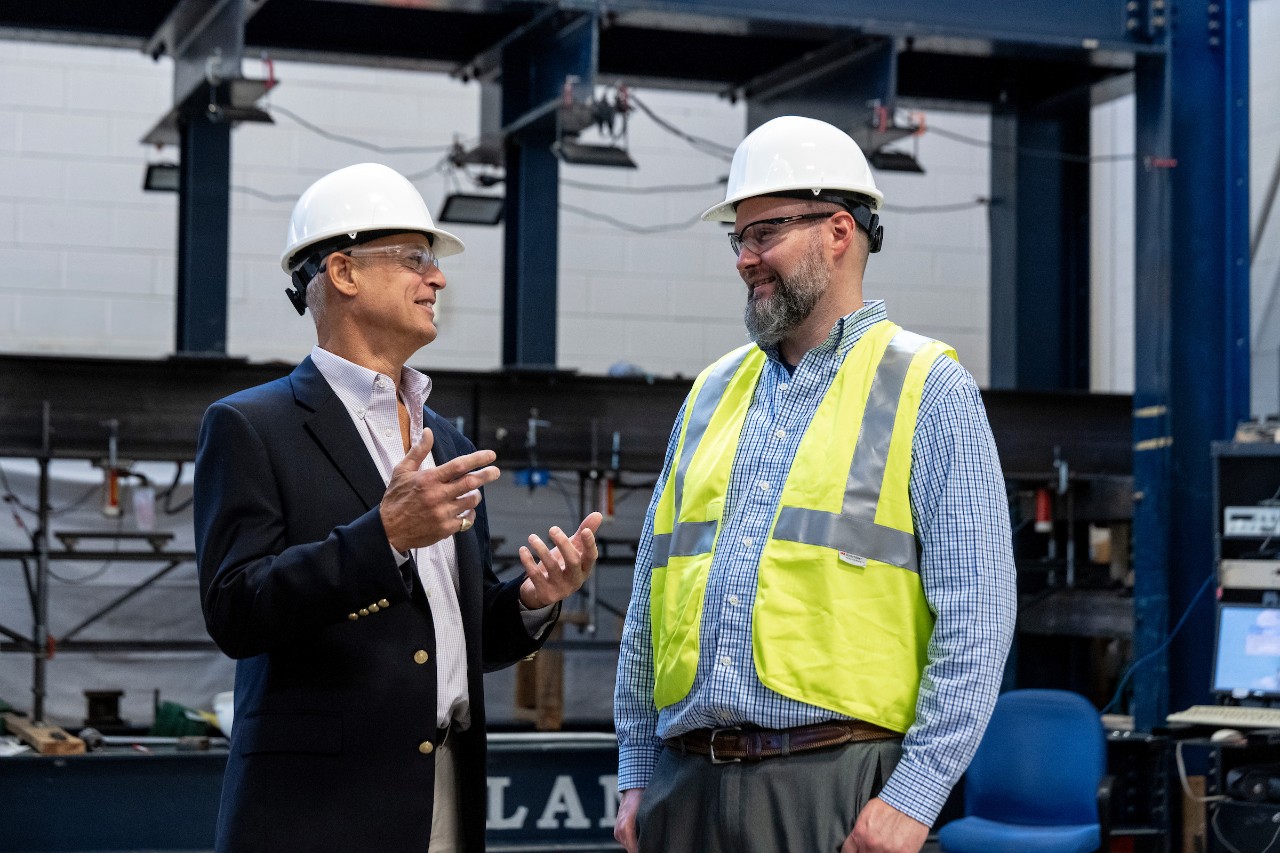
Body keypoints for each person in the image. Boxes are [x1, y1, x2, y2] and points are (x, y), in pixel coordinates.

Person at [613, 116, 1016, 853]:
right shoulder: (709, 394)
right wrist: (637, 768)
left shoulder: (928, 388)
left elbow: (979, 618)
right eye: (738, 237)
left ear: (838, 231)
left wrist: (914, 798)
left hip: (837, 785)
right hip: (686, 786)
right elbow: (649, 604)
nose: (745, 257)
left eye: (764, 233)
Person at [194, 162, 602, 853]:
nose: (437, 278)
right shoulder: (251, 427)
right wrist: (381, 535)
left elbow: (460, 633)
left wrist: (533, 599)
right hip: (317, 813)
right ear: (344, 272)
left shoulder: (447, 440)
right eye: (416, 258)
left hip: (445, 787)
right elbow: (236, 607)